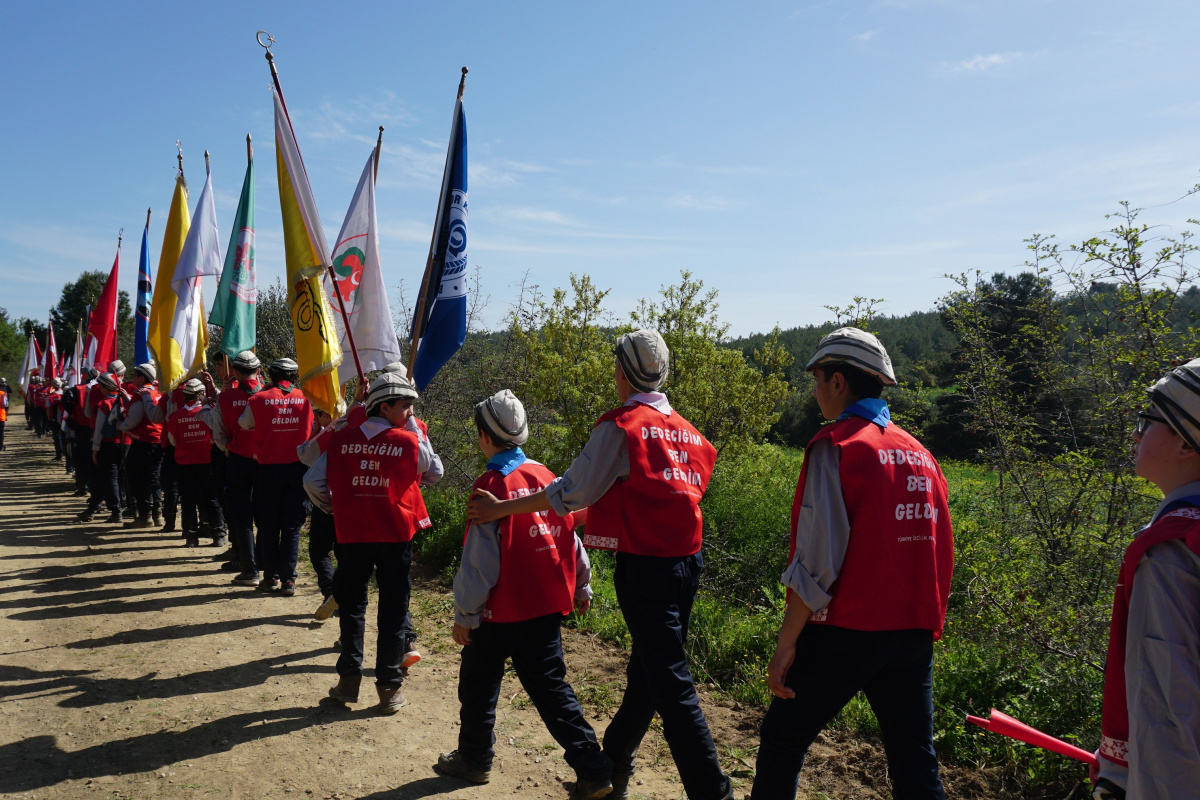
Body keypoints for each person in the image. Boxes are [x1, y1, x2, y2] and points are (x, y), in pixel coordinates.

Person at [468, 330, 733, 800]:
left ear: (622, 372)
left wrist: (503, 509)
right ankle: (615, 759)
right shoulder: (688, 431)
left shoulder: (622, 425)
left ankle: (714, 793)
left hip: (646, 571)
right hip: (688, 565)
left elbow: (571, 495)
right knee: (648, 675)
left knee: (671, 686)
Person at [748, 328, 954, 800]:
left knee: (783, 740)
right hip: (912, 634)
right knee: (915, 766)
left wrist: (786, 643)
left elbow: (817, 559)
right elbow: (940, 550)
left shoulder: (838, 446)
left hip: (845, 629)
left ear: (838, 382)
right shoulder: (921, 454)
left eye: (817, 379)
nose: (815, 391)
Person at [438, 390, 612, 798]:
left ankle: (475, 760)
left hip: (500, 612)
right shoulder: (549, 476)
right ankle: (594, 771)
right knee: (553, 691)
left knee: (478, 686)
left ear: (484, 436)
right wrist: (582, 583)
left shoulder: (490, 486)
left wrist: (466, 614)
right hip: (547, 605)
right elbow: (570, 538)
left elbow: (481, 561)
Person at [1091, 361, 1200, 800]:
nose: (1136, 435)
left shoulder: (1172, 553)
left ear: (1185, 443)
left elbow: (1168, 717)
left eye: (1147, 421)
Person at [303, 372, 433, 713]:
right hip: (395, 536)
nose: (409, 414)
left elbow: (312, 481)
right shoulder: (408, 441)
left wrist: (337, 509)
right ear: (385, 406)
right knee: (393, 609)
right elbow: (434, 471)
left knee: (352, 605)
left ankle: (348, 681)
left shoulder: (342, 439)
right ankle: (389, 688)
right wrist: (414, 431)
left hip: (353, 534)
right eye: (405, 407)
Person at [240, 358, 313, 594]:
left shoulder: (258, 398)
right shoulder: (307, 399)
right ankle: (289, 580)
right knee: (292, 527)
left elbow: (244, 423)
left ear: (271, 374)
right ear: (294, 375)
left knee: (269, 524)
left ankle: (270, 577)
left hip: (268, 469)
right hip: (297, 469)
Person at [201, 351, 262, 584]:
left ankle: (250, 569)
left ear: (234, 371)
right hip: (266, 462)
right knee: (265, 516)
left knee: (242, 517)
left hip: (237, 460)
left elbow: (217, 431)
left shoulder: (225, 399)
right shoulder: (268, 395)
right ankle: (270, 567)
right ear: (258, 370)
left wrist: (226, 447)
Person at [166, 378, 226, 548]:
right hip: (207, 462)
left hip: (185, 464)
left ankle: (191, 536)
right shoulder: (208, 412)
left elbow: (173, 441)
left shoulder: (175, 416)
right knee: (212, 498)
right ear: (201, 394)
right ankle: (218, 533)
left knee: (188, 500)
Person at [78, 372, 129, 524]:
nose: (98, 388)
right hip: (126, 443)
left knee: (109, 477)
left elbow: (99, 429)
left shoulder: (105, 403)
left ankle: (115, 510)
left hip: (108, 443)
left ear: (106, 388)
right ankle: (117, 505)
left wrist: (95, 449)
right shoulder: (127, 401)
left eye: (100, 386)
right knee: (119, 477)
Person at [119, 363, 164, 529]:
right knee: (153, 477)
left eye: (134, 375)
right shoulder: (158, 391)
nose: (131, 378)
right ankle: (157, 514)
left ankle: (145, 516)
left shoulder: (140, 394)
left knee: (139, 477)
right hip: (158, 440)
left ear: (142, 378)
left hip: (144, 441)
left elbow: (133, 419)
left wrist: (120, 426)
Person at [0, 377, 9, 452]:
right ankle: (1, 445)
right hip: (1, 416)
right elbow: (6, 404)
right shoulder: (3, 394)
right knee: (1, 431)